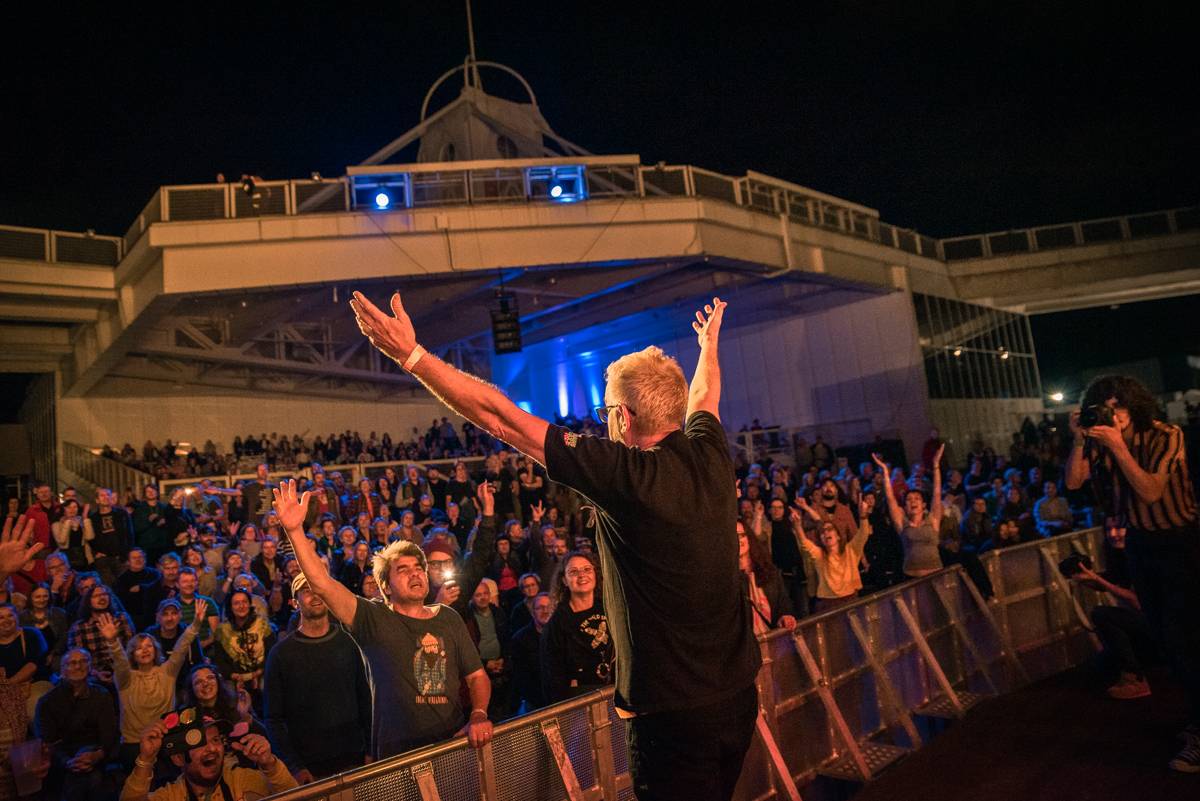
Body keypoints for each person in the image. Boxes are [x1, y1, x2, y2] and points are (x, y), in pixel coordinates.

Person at [350, 291, 759, 800]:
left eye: (607, 409)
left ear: (624, 419)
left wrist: (411, 356)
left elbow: (500, 417)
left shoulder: (623, 473)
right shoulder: (712, 454)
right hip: (738, 695)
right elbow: (705, 397)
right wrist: (708, 346)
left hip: (673, 716)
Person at [273, 480, 493, 759]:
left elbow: (476, 677)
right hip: (396, 757)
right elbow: (322, 583)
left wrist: (478, 714)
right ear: (386, 587)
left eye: (418, 568)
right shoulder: (371, 617)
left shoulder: (448, 617)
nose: (415, 574)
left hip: (451, 746)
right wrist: (294, 531)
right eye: (403, 570)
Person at [1065, 375, 1200, 772]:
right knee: (1165, 637)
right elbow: (1073, 482)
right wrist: (1078, 438)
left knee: (1188, 637)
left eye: (1119, 407)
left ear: (1134, 405)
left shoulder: (1166, 434)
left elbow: (1151, 490)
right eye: (1106, 408)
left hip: (1181, 543)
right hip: (1141, 546)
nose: (1114, 416)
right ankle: (1195, 719)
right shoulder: (1100, 439)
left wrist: (1118, 446)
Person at [264, 574, 371, 783]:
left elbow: (367, 699)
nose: (314, 595)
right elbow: (273, 718)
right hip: (311, 770)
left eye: (317, 588)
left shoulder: (349, 641)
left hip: (355, 759)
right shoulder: (281, 654)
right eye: (306, 591)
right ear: (295, 603)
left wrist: (370, 747)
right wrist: (295, 766)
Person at [101, 603, 201, 770]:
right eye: (138, 648)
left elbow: (181, 648)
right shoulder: (126, 678)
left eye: (148, 646)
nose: (145, 650)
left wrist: (196, 624)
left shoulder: (167, 672)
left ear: (156, 650)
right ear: (132, 654)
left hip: (166, 742)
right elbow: (120, 662)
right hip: (135, 745)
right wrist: (112, 642)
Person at [119, 709, 297, 801]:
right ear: (178, 758)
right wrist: (146, 759)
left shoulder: (245, 780)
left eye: (216, 740)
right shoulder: (171, 796)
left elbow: (300, 798)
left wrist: (270, 765)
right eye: (200, 743)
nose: (212, 748)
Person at [34, 649, 119, 801]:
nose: (78, 666)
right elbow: (47, 741)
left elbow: (109, 734)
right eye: (72, 663)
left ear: (90, 667)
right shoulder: (47, 702)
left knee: (92, 778)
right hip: (62, 759)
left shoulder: (102, 695)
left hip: (96, 755)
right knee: (84, 779)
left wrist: (97, 755)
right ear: (62, 670)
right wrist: (67, 761)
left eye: (83, 661)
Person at [793, 502, 873, 612]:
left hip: (851, 599)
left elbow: (863, 534)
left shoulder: (850, 550)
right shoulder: (820, 554)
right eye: (822, 532)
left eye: (829, 529)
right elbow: (804, 543)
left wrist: (863, 515)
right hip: (828, 603)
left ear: (838, 536)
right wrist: (797, 525)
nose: (826, 533)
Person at [737, 521, 797, 634]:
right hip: (747, 647)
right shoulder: (726, 579)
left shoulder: (769, 571)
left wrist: (785, 617)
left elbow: (783, 602)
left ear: (749, 538)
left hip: (774, 641)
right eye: (733, 536)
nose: (737, 540)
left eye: (741, 535)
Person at [511, 592, 554, 713]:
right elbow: (521, 677)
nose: (545, 611)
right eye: (540, 608)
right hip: (535, 704)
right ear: (532, 612)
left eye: (548, 607)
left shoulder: (562, 633)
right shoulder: (520, 639)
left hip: (560, 698)